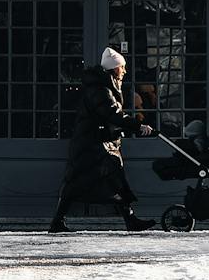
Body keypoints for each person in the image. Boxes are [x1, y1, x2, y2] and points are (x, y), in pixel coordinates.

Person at [47, 44, 155, 233]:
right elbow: (113, 114)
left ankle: (130, 220)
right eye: (122, 67)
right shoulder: (101, 89)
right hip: (92, 145)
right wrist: (138, 126)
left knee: (112, 179)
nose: (125, 71)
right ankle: (57, 221)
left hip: (99, 143)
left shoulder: (104, 86)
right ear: (114, 68)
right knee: (77, 183)